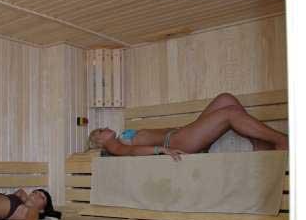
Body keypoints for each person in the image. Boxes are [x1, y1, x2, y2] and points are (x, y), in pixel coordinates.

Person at [88, 93, 288, 161]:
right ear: (100, 141)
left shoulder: (121, 137)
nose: (105, 127)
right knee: (230, 113)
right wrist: (161, 150)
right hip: (179, 142)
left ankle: (260, 146)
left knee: (226, 99)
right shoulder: (114, 147)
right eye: (101, 130)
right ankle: (283, 141)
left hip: (181, 133)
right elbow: (131, 152)